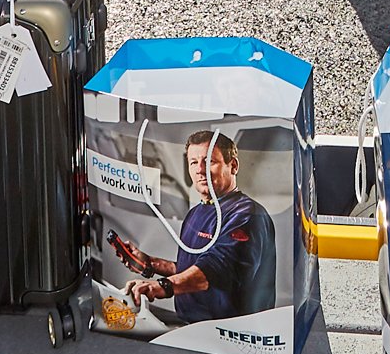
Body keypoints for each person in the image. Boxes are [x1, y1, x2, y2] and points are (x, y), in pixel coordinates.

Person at [114, 132, 276, 319]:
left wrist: (162, 286)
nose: (200, 170)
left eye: (209, 162)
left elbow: (218, 269)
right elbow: (192, 267)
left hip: (230, 333)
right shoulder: (195, 213)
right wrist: (149, 263)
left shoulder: (247, 214)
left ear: (233, 166)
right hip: (190, 326)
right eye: (193, 162)